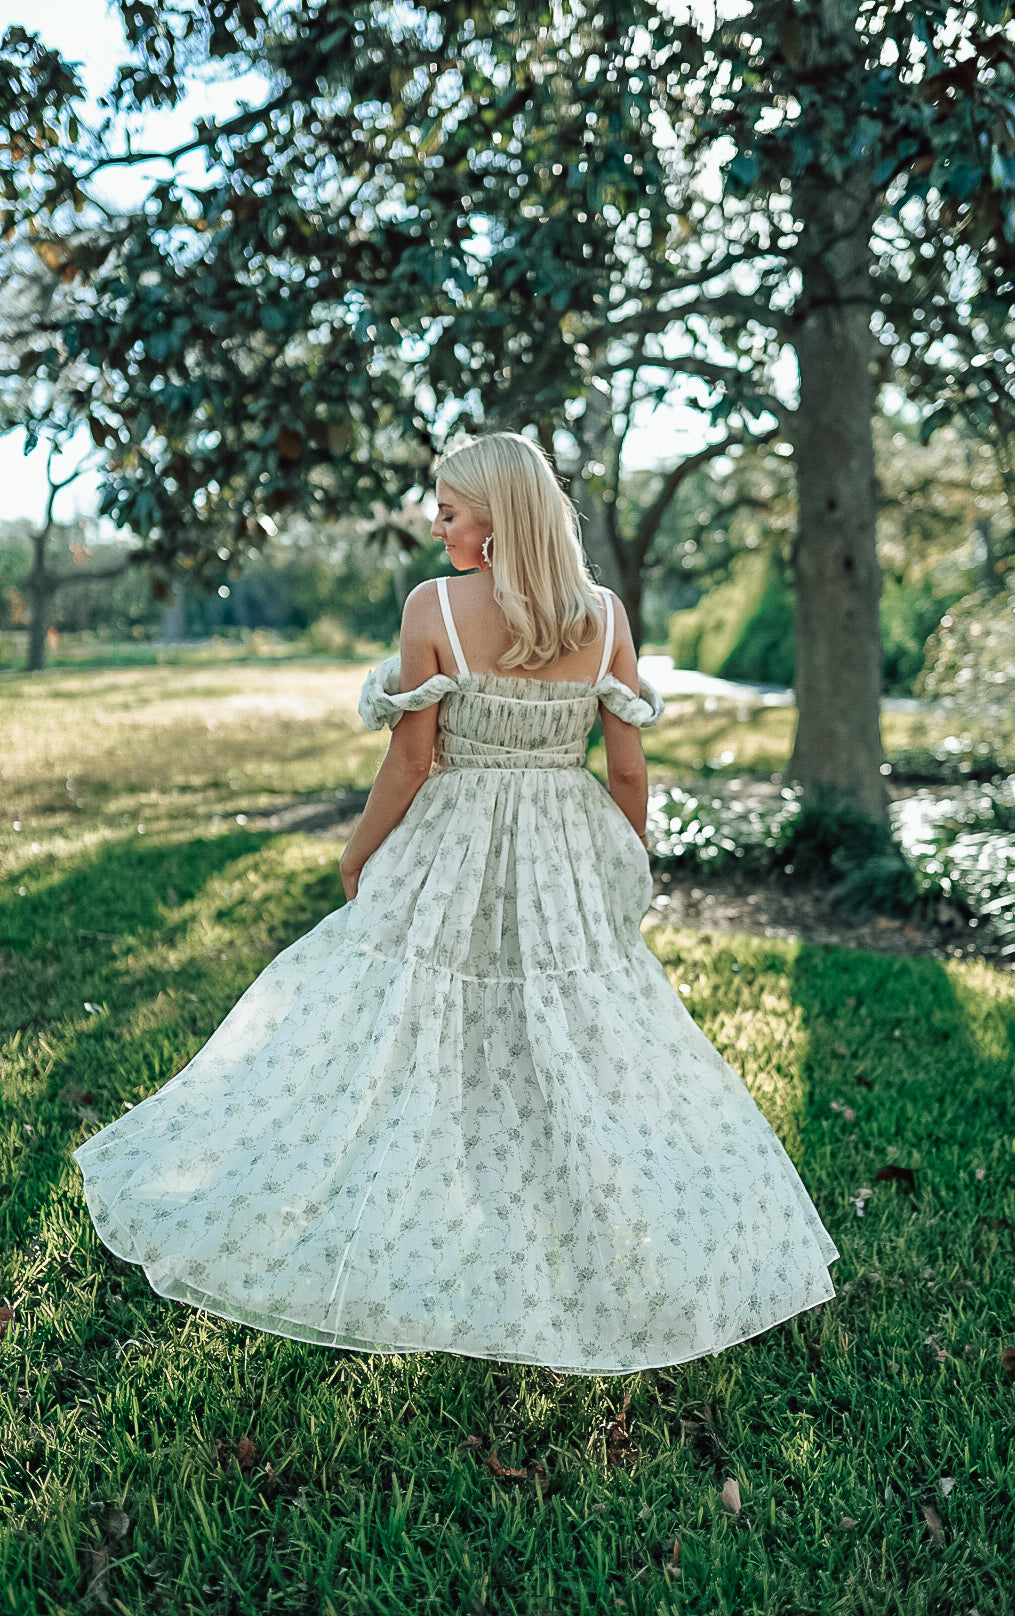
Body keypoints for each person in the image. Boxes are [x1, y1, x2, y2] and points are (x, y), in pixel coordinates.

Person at [72, 430, 838, 1374]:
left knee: (408, 1010)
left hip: (454, 834)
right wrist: (623, 863)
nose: (437, 524)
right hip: (563, 835)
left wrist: (361, 851)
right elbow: (629, 769)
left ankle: (419, 1201)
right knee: (577, 1019)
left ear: (497, 515)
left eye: (450, 509)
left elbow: (412, 756)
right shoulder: (602, 617)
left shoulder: (434, 606)